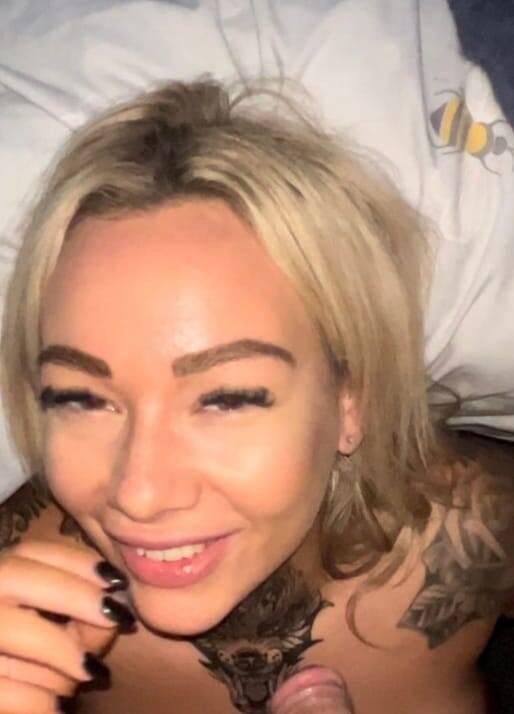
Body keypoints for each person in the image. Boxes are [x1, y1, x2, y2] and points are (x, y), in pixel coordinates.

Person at [0, 78, 512, 714]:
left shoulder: (474, 533)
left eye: (227, 398)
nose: (140, 494)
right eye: (80, 398)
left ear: (350, 398)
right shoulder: (18, 592)